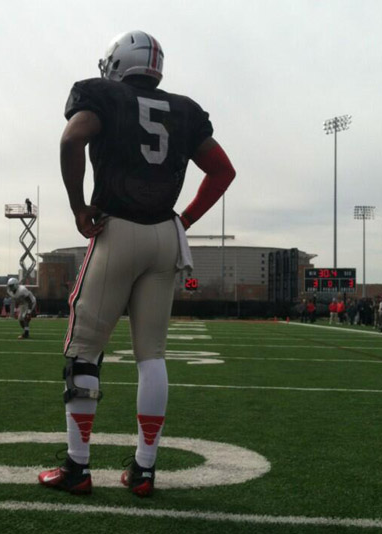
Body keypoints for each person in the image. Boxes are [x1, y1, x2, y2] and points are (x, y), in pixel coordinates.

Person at [38, 31, 236, 497]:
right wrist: (184, 219)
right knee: (152, 357)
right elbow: (223, 170)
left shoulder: (100, 92)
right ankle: (144, 470)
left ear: (117, 63)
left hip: (118, 229)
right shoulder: (185, 108)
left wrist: (77, 206)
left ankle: (77, 467)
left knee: (83, 353)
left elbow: (73, 137)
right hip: (165, 236)